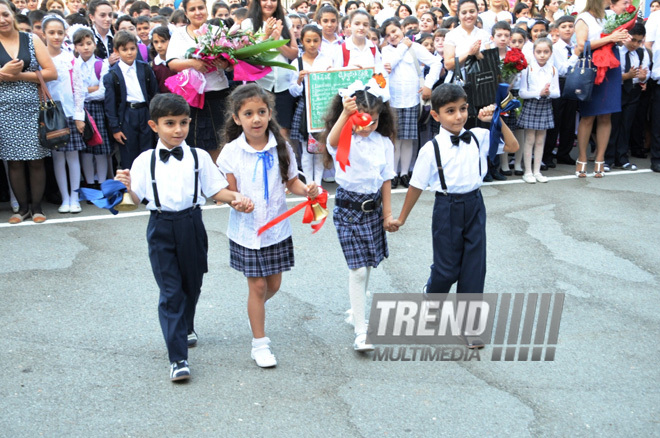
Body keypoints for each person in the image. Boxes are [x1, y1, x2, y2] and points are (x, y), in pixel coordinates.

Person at [115, 93, 254, 382]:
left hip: (192, 224)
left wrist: (236, 198)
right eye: (169, 123)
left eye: (183, 122)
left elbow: (217, 191)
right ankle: (178, 358)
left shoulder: (199, 157)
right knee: (171, 293)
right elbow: (131, 200)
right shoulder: (144, 160)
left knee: (192, 284)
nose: (178, 130)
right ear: (154, 126)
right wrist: (121, 189)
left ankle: (186, 324)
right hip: (161, 227)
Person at [393, 85, 518, 341]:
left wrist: (496, 120)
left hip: (474, 204)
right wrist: (402, 217)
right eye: (450, 111)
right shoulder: (431, 149)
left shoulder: (478, 137)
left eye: (462, 109)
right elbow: (416, 186)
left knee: (474, 266)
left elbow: (513, 146)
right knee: (447, 269)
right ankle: (432, 294)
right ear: (436, 115)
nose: (459, 116)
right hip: (447, 208)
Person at [217, 84, 319, 368]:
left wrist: (307, 189)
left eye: (261, 112)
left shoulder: (281, 146)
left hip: (277, 229)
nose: (256, 119)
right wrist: (237, 201)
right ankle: (260, 344)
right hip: (247, 232)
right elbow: (229, 192)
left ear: (270, 113)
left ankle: (255, 308)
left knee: (273, 284)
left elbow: (292, 182)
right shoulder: (231, 153)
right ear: (237, 118)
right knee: (258, 285)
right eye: (248, 114)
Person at [321, 78, 397, 352]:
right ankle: (361, 331)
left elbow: (386, 179)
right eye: (362, 119)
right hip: (348, 209)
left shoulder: (383, 143)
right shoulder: (344, 138)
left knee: (367, 265)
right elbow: (330, 141)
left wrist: (387, 215)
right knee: (357, 270)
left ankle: (357, 310)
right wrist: (345, 113)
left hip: (373, 209)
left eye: (374, 120)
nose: (368, 126)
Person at [0, 0, 57, 224]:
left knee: (36, 160)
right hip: (4, 111)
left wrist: (18, 76)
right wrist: (2, 73)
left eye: (5, 14)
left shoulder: (31, 39)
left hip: (34, 108)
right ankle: (21, 209)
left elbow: (51, 73)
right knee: (13, 161)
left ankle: (37, 208)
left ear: (12, 15)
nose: (2, 20)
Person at [167, 0, 231, 161]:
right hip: (192, 98)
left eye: (201, 8)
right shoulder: (179, 34)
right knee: (194, 144)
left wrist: (223, 63)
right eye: (192, 9)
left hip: (218, 95)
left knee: (221, 143)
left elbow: (232, 64)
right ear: (186, 13)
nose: (197, 12)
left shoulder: (217, 31)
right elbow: (172, 63)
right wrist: (193, 63)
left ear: (206, 10)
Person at [381, 17, 440, 188]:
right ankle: (392, 174)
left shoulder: (415, 47)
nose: (392, 36)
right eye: (388, 34)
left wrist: (428, 84)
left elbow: (436, 62)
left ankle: (405, 173)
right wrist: (402, 47)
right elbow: (389, 66)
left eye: (394, 31)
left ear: (401, 28)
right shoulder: (385, 51)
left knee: (407, 140)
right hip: (392, 101)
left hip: (412, 99)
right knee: (394, 140)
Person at [573, 0, 629, 178]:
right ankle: (582, 157)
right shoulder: (583, 18)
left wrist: (620, 39)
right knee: (588, 115)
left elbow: (613, 42)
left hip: (611, 68)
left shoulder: (609, 17)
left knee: (607, 114)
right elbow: (582, 45)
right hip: (593, 69)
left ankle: (600, 158)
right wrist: (610, 38)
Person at [43, 14, 86, 213]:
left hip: (70, 113)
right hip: (52, 115)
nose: (56, 36)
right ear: (44, 34)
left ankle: (75, 198)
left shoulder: (70, 59)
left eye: (60, 32)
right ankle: (65, 197)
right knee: (58, 157)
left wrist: (79, 116)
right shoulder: (40, 60)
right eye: (51, 32)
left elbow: (79, 89)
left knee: (73, 156)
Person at [241, 0, 299, 137]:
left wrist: (278, 42)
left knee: (283, 131)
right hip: (259, 83)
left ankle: (283, 158)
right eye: (264, 0)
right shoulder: (248, 24)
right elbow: (249, 55)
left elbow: (294, 53)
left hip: (284, 84)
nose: (269, 3)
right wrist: (266, 36)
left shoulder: (285, 21)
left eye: (273, 0)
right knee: (260, 129)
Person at [104, 30, 158, 169]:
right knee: (129, 153)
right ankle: (131, 187)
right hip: (127, 114)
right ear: (116, 51)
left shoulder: (144, 68)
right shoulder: (112, 75)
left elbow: (154, 93)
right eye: (124, 49)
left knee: (148, 151)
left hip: (145, 113)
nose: (129, 53)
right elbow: (110, 105)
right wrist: (115, 128)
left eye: (132, 48)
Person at [289, 25, 333, 185]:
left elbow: (333, 85)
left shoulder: (327, 61)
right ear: (302, 41)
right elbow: (293, 91)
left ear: (321, 41)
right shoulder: (296, 62)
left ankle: (319, 183)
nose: (312, 44)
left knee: (320, 148)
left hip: (322, 107)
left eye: (316, 40)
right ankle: (309, 183)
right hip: (304, 108)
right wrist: (299, 80)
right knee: (307, 148)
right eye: (308, 41)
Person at [604, 23, 648, 172]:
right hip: (617, 90)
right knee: (613, 125)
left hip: (633, 92)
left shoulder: (641, 53)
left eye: (639, 41)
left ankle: (622, 158)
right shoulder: (615, 51)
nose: (635, 44)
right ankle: (607, 158)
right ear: (626, 36)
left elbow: (643, 75)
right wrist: (627, 76)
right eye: (633, 40)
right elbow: (610, 75)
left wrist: (643, 78)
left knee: (626, 126)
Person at [518, 37, 559, 183]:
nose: (542, 55)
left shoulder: (553, 70)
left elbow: (557, 92)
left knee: (541, 140)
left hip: (545, 105)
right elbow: (522, 92)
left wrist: (547, 93)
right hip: (531, 105)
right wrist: (538, 93)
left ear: (551, 52)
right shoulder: (527, 70)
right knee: (529, 139)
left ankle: (537, 171)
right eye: (539, 51)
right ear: (534, 52)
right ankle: (527, 171)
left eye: (546, 52)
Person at [543, 14, 576, 167]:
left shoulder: (576, 45)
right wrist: (575, 56)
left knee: (569, 120)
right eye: (564, 27)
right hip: (560, 83)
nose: (568, 29)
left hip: (574, 83)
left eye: (570, 26)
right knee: (555, 119)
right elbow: (561, 69)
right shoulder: (555, 48)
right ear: (558, 29)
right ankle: (548, 154)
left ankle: (564, 153)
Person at [443, 0, 492, 84]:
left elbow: (490, 63)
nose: (468, 15)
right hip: (459, 84)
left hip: (482, 83)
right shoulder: (451, 35)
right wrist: (469, 53)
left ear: (477, 12)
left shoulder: (484, 34)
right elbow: (448, 65)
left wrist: (477, 54)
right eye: (464, 12)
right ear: (458, 14)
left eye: (472, 11)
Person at [88, 0, 118, 64]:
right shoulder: (87, 36)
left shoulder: (117, 33)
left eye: (110, 15)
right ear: (92, 17)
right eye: (102, 15)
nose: (108, 19)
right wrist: (107, 62)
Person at [149, 25, 174, 93]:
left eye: (163, 41)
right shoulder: (152, 66)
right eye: (156, 42)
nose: (159, 46)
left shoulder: (179, 62)